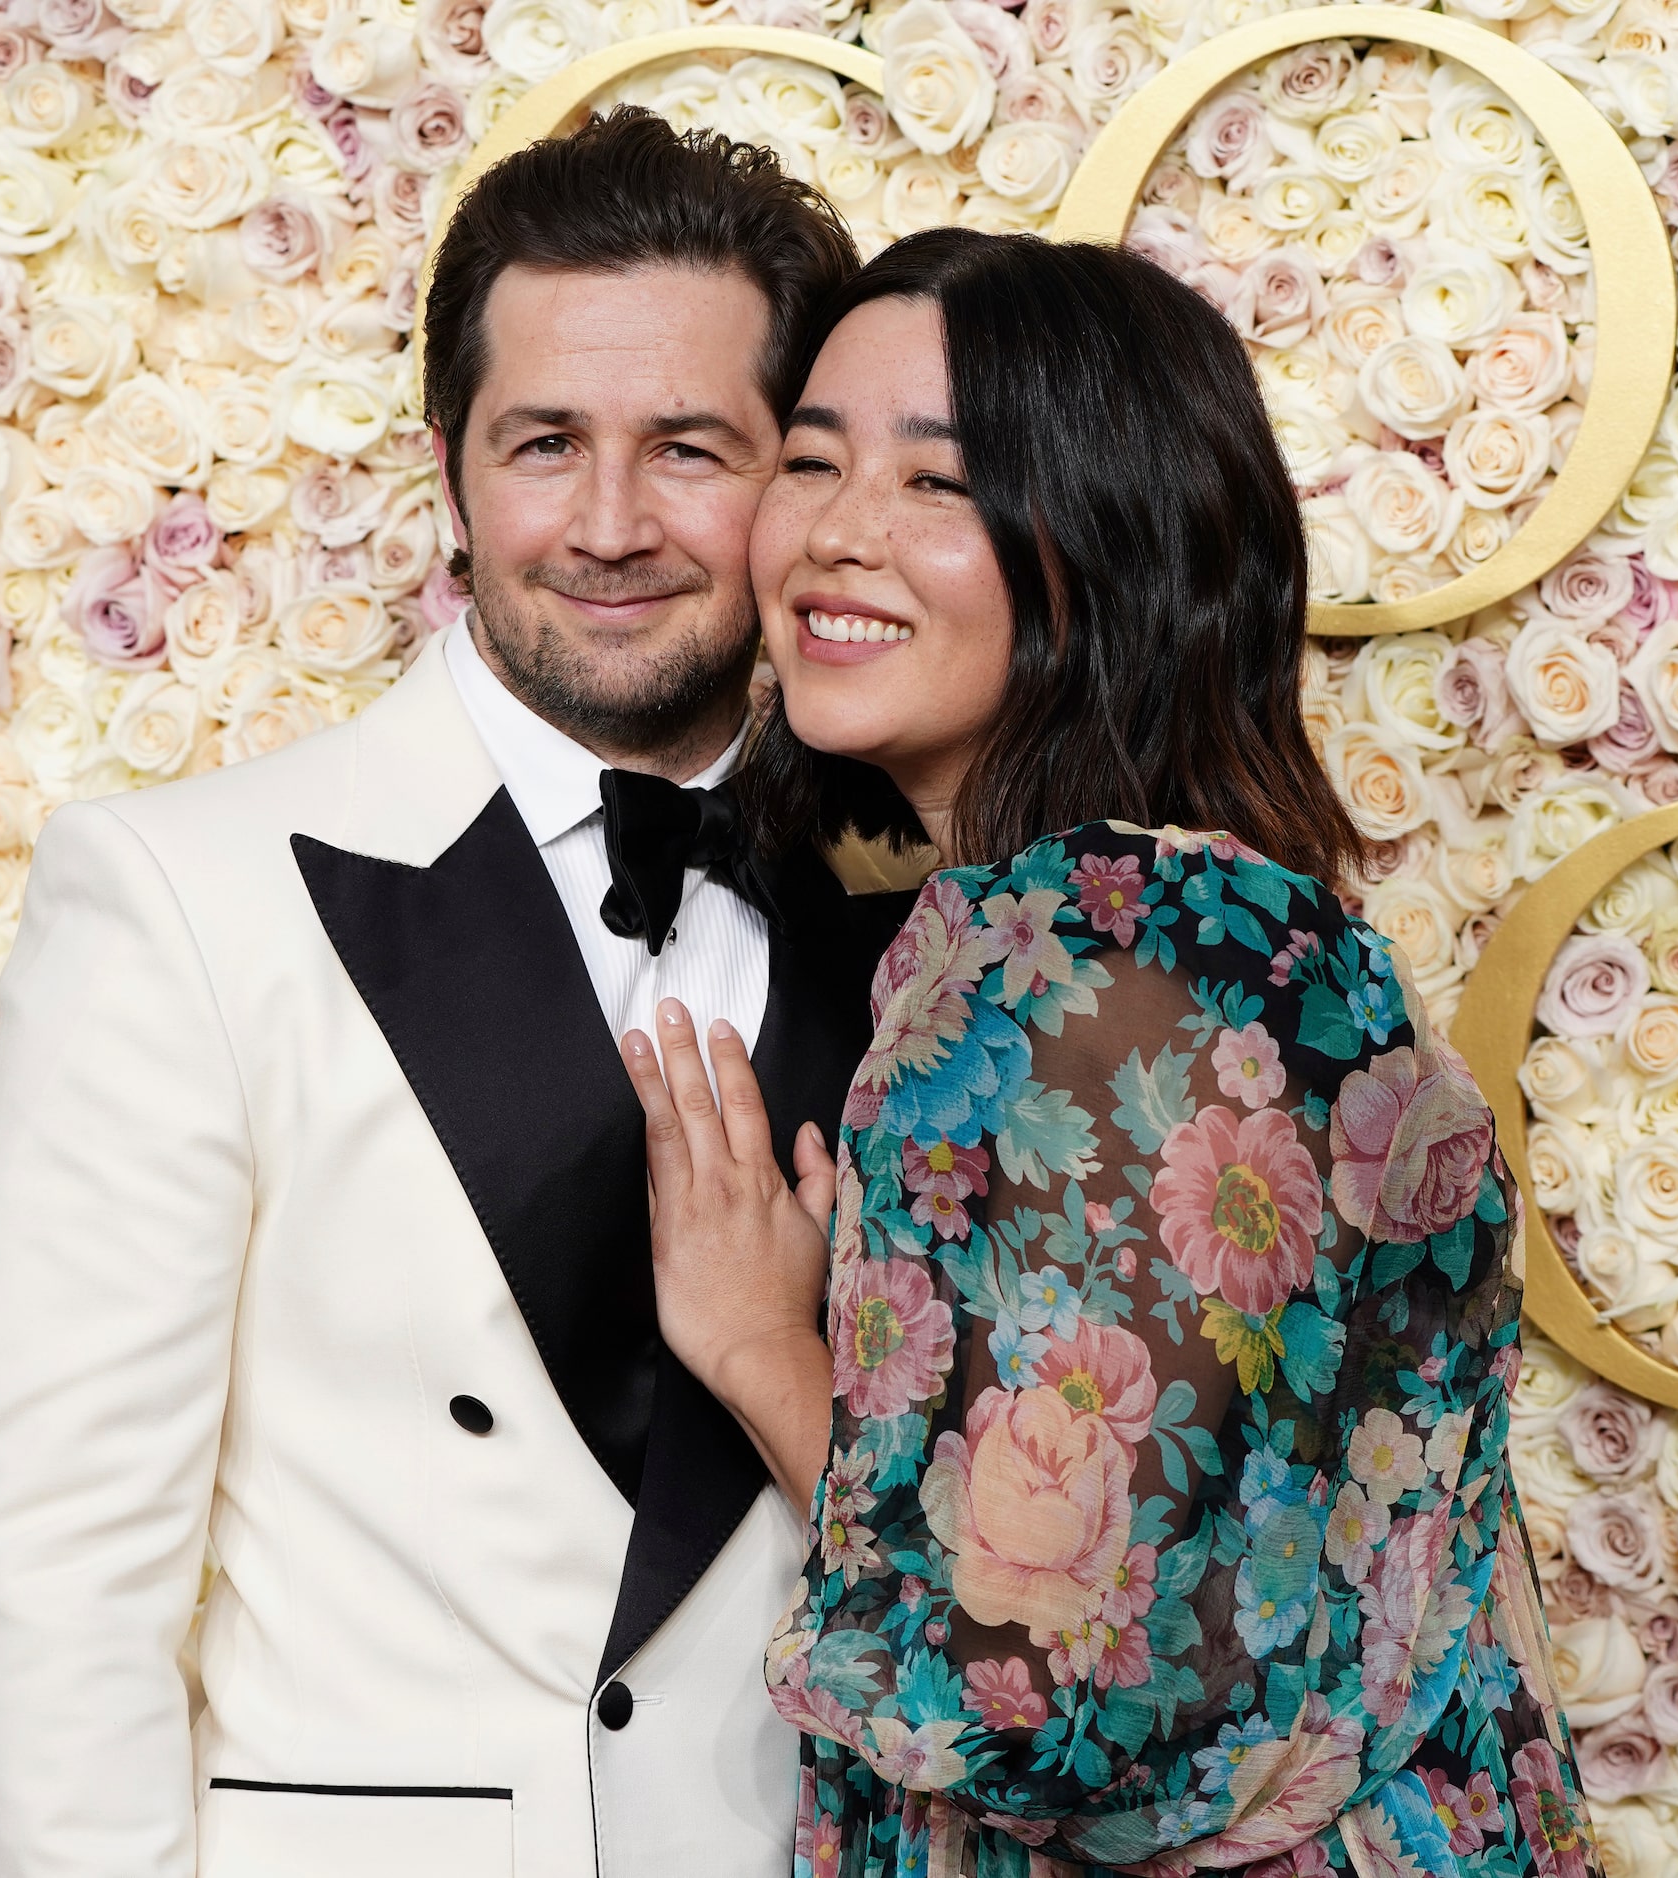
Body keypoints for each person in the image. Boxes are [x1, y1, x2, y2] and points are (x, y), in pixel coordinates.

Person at [0, 111, 916, 1878]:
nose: (607, 525)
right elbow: (60, 1565)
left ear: (793, 483)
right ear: (451, 473)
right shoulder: (183, 894)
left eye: (689, 446)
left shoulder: (919, 935)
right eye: (544, 443)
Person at [621, 230, 1593, 1878]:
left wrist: (754, 1344)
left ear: (1106, 546)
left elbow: (1047, 1692)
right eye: (809, 459)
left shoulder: (1076, 951)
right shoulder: (1216, 918)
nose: (839, 536)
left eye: (940, 485)